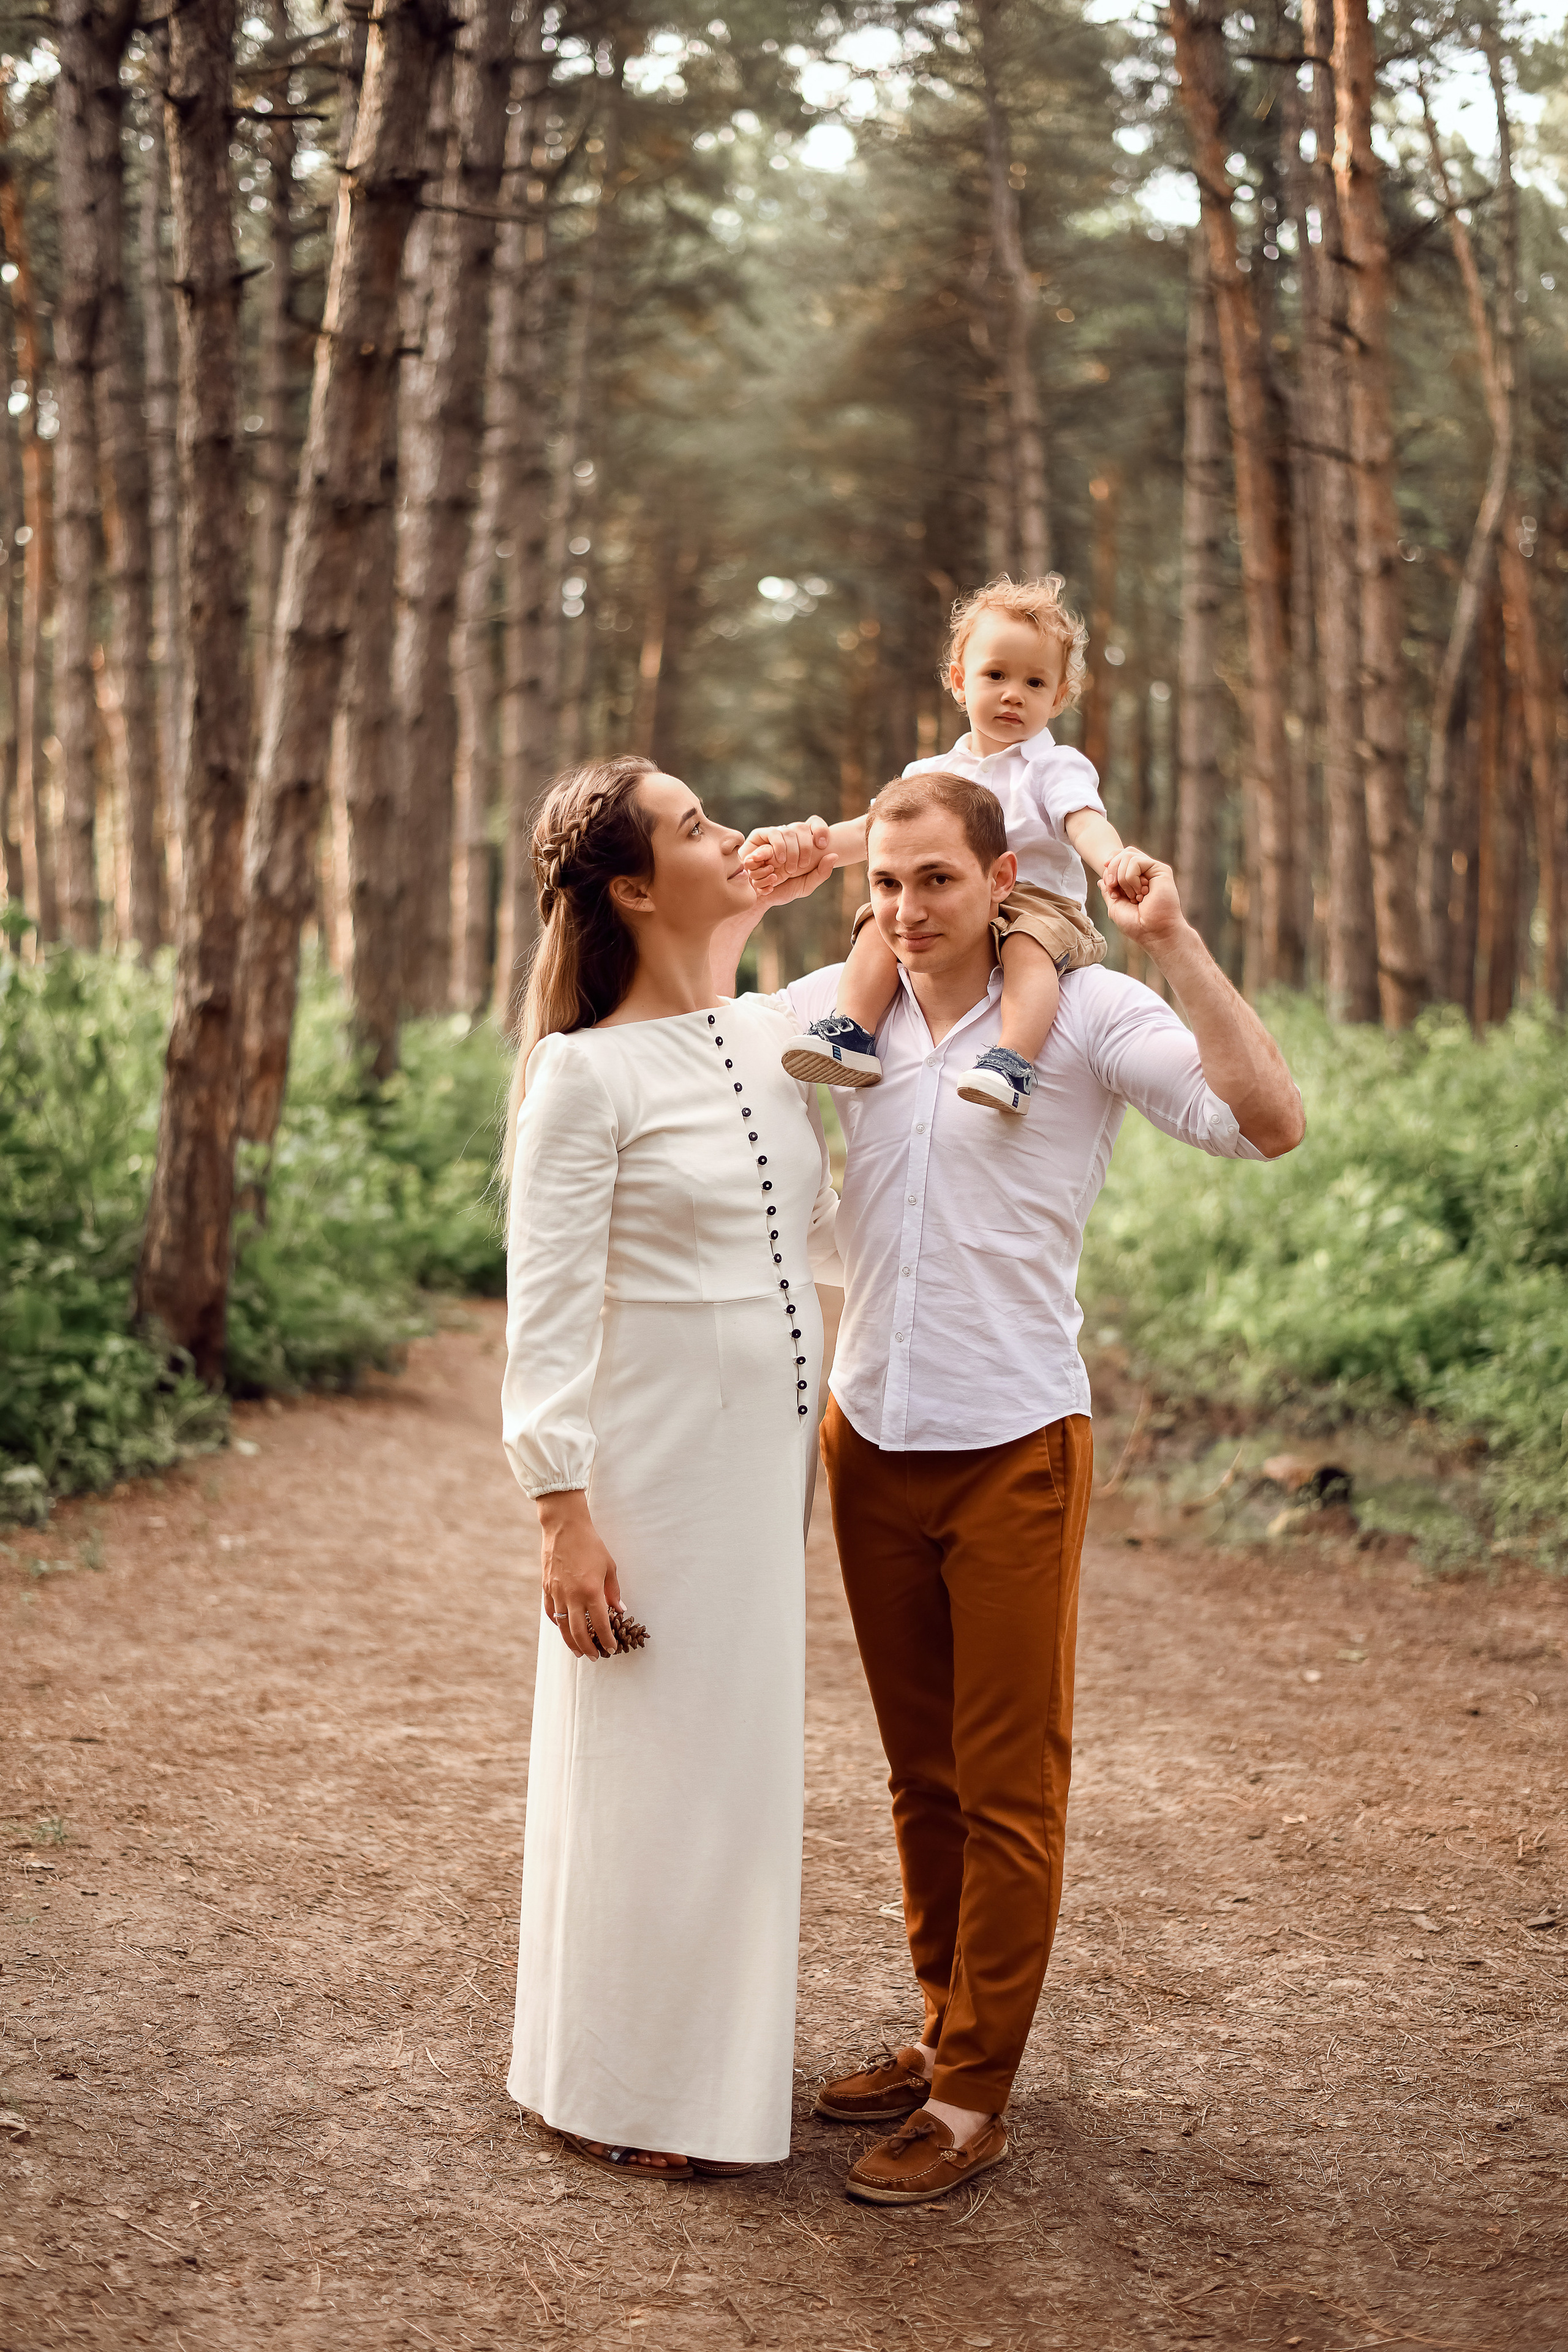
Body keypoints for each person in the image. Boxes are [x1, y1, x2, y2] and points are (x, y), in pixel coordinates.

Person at [726, 774, 1303, 2206]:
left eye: (934, 880)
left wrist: (1171, 939)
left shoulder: (1086, 1015)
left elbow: (1266, 1121)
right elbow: (688, 1058)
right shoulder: (838, 1012)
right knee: (918, 1775)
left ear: (999, 881)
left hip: (1014, 1445)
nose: (905, 909)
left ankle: (972, 2095)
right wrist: (741, 900)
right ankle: (943, 2032)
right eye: (885, 883)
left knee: (1006, 1784)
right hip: (867, 1436)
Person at [500, 755, 840, 2183]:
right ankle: (618, 2079)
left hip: (764, 1465)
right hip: (652, 1467)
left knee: (737, 1765)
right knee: (648, 1763)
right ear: (633, 888)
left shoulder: (761, 1027)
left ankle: (706, 2074)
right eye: (696, 825)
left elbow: (921, 857)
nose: (732, 831)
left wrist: (788, 879)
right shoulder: (583, 1074)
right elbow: (545, 1307)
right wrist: (560, 1513)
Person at [755, 575, 1155, 1115]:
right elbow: (872, 831)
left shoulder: (1053, 766)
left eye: (1036, 683)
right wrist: (808, 846)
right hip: (954, 904)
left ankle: (1013, 1060)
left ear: (1059, 697)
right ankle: (852, 1033)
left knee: (1027, 944)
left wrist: (1115, 860)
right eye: (996, 675)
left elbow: (1083, 821)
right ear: (960, 681)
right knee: (881, 922)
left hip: (1039, 905)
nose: (1014, 694)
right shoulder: (931, 773)